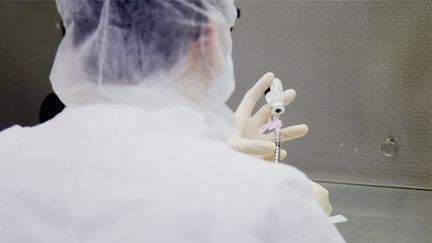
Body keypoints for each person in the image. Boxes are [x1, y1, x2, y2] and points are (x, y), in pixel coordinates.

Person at [0, 0, 344, 242]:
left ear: (77, 33)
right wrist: (292, 206)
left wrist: (221, 156)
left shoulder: (7, 160)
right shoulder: (268, 205)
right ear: (208, 38)